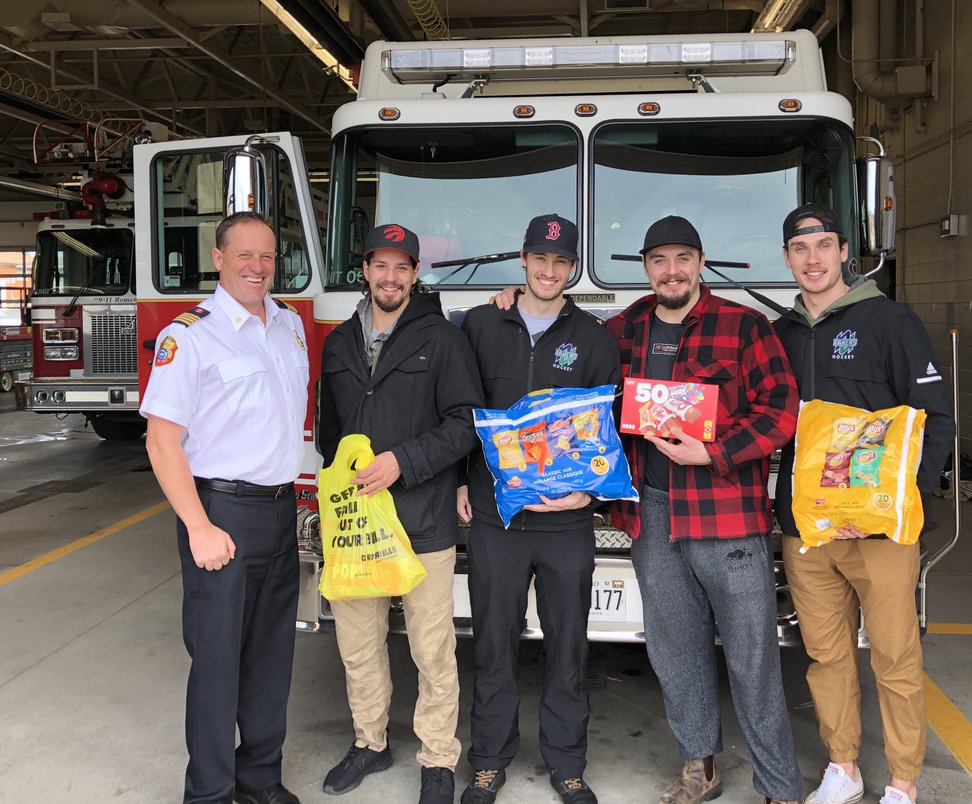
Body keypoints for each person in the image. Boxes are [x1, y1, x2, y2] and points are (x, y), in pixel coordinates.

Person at [607, 215, 805, 804]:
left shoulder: (744, 328)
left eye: (683, 258)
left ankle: (779, 785)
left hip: (726, 518)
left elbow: (781, 411)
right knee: (675, 651)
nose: (672, 271)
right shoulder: (623, 329)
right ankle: (700, 767)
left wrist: (714, 452)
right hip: (652, 513)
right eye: (659, 260)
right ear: (646, 268)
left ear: (700, 262)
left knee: (752, 657)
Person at [773, 205, 955, 804]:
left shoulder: (889, 320)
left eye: (823, 245)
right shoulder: (780, 333)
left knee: (895, 657)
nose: (813, 259)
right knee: (826, 657)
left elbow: (935, 418)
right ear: (787, 259)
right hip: (808, 530)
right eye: (801, 250)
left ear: (844, 250)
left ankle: (903, 781)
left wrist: (909, 500)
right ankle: (843, 768)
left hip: (878, 530)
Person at [142, 211, 309, 804]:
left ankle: (259, 779)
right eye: (244, 255)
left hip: (280, 511)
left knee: (271, 656)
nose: (258, 267)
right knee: (217, 664)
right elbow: (161, 442)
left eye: (267, 256)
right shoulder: (190, 335)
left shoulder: (288, 326)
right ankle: (209, 792)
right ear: (218, 257)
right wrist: (198, 525)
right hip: (221, 515)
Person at [457, 214, 622, 804]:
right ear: (522, 261)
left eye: (560, 262)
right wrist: (458, 481)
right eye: (539, 260)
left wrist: (593, 492)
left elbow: (608, 433)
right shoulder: (478, 325)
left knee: (568, 642)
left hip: (567, 522)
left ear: (572, 267)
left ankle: (566, 764)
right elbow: (456, 411)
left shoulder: (596, 339)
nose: (549, 272)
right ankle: (488, 760)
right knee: (493, 641)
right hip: (496, 518)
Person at [317, 223, 483, 804]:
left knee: (431, 647)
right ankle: (370, 741)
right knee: (357, 643)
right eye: (380, 266)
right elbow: (330, 437)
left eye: (401, 267)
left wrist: (401, 462)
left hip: (422, 520)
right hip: (357, 528)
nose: (390, 278)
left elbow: (465, 424)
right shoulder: (338, 343)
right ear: (365, 270)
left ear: (415, 274)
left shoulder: (441, 339)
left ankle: (437, 757)